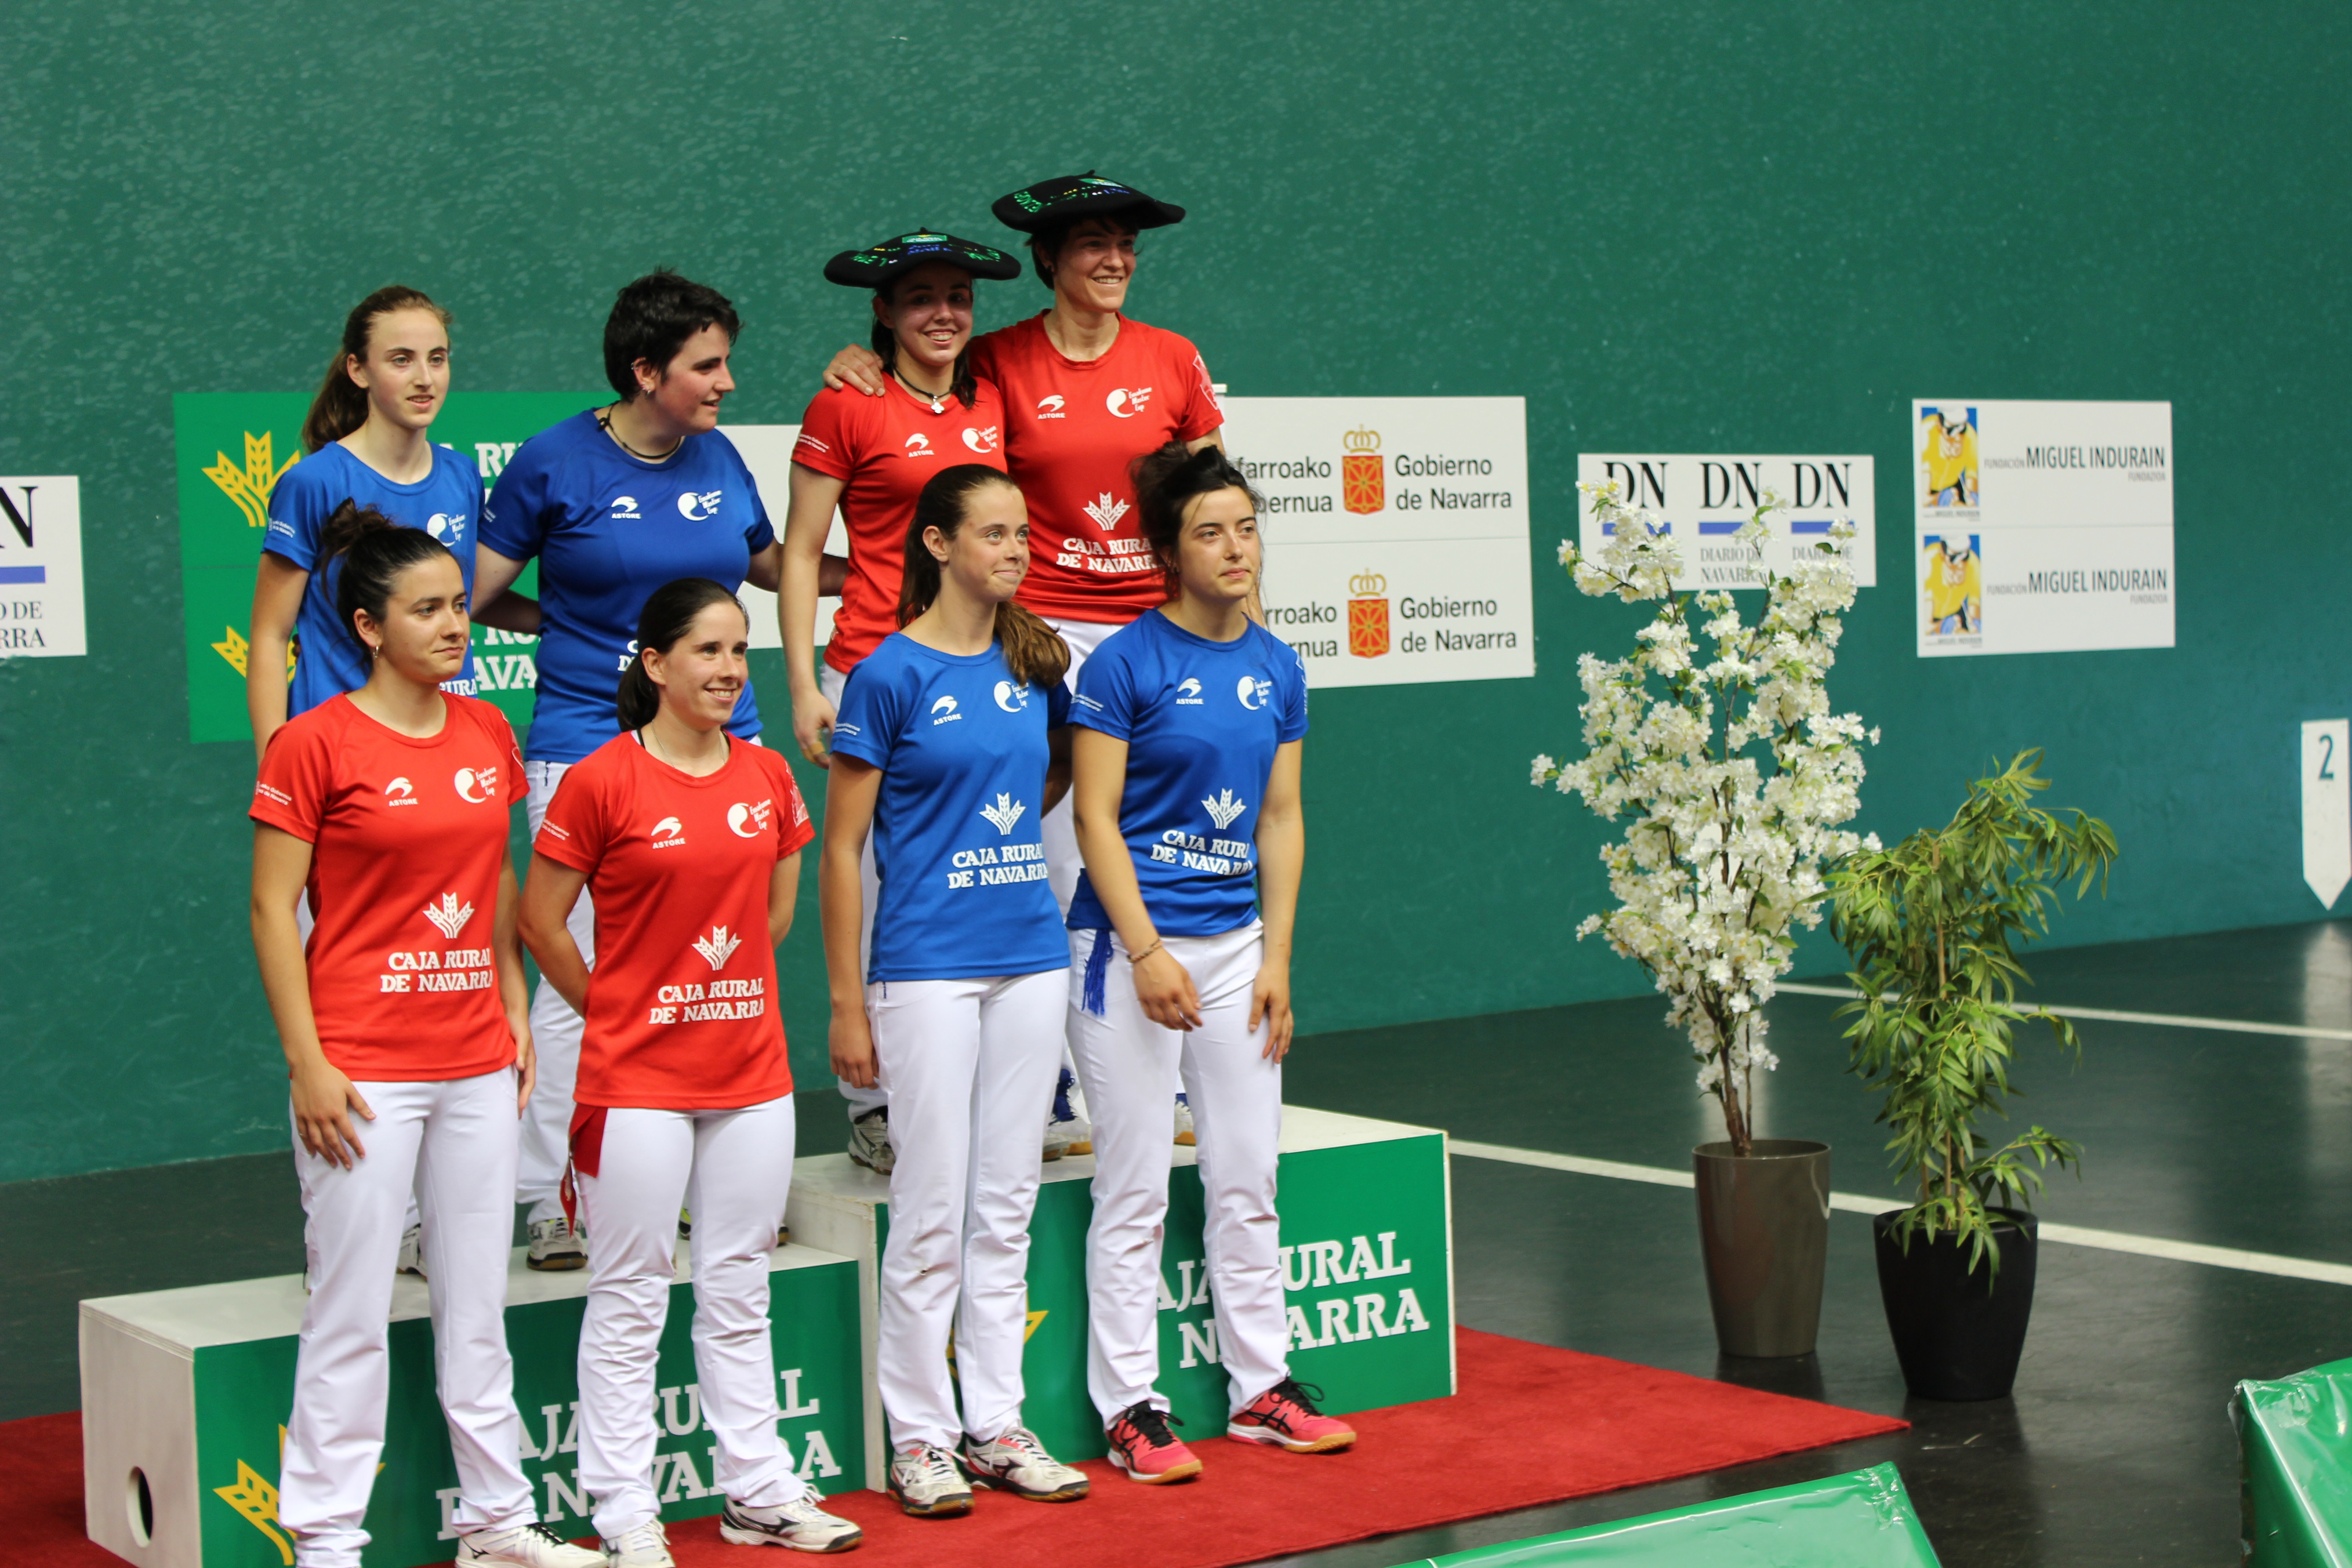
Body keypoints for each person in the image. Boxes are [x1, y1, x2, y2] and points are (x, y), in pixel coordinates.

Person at [820, 173, 1226, 1157]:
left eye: (1125, 244)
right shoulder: (997, 360)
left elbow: (1210, 503)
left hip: (1151, 636)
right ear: (1048, 259)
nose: (1114, 259)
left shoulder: (1173, 359)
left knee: (1153, 850)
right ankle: (1032, 1090)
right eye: (1091, 243)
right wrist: (854, 361)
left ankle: (1151, 1076)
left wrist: (1228, 633)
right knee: (1040, 858)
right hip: (1040, 639)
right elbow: (919, 392)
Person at [248, 505, 600, 1568]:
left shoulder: (488, 732)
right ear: (367, 626)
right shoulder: (314, 743)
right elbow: (271, 909)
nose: (455, 625)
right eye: (428, 610)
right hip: (361, 1070)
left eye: (458, 606)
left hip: (476, 1064)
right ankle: (326, 1539)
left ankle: (498, 1523)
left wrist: (510, 1001)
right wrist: (309, 1064)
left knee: (477, 1303)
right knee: (349, 1309)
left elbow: (492, 880)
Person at [519, 579, 861, 1567]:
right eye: (707, 651)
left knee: (740, 1286)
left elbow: (773, 916)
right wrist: (616, 1009)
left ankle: (759, 1491)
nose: (728, 670)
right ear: (656, 664)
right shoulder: (601, 780)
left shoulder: (768, 776)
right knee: (631, 1295)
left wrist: (716, 994)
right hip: (634, 1085)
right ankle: (625, 1513)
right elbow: (539, 920)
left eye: (739, 651)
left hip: (751, 1076)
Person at [473, 272, 785, 1271]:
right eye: (707, 366)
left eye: (726, 362)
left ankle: (695, 1175)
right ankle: (554, 1192)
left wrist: (885, 557)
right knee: (585, 979)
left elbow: (773, 565)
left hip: (726, 746)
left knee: (718, 965)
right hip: (587, 745)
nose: (726, 383)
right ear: (647, 372)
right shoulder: (555, 461)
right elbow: (473, 594)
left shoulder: (719, 454)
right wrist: (561, 624)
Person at [1063, 444, 1355, 1485]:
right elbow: (1093, 817)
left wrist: (1277, 957)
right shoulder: (1123, 664)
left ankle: (1262, 1390)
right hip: (1126, 950)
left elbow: (1281, 818)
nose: (1236, 549)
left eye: (1246, 528)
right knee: (1135, 1184)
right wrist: (1145, 952)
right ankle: (1131, 1409)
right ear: (1167, 553)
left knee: (1247, 1174)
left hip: (1238, 955)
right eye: (1210, 533)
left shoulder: (1279, 666)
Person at [821, 466, 1089, 1516]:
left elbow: (1054, 773)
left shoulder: (1037, 661)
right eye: (994, 533)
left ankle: (997, 1424)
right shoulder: (886, 675)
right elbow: (843, 850)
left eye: (1023, 533)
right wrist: (847, 1002)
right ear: (937, 544)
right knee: (931, 1207)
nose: (1016, 549)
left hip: (1030, 957)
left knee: (1005, 1203)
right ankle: (922, 1439)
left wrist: (1001, 836)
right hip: (924, 967)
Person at [782, 232, 1022, 1176]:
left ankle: (988, 1089)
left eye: (958, 296)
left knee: (984, 872)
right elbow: (803, 552)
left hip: (979, 675)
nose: (943, 313)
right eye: (920, 297)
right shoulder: (846, 402)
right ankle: (875, 1102)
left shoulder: (992, 400)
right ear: (884, 312)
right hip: (871, 671)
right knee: (879, 883)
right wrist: (804, 682)